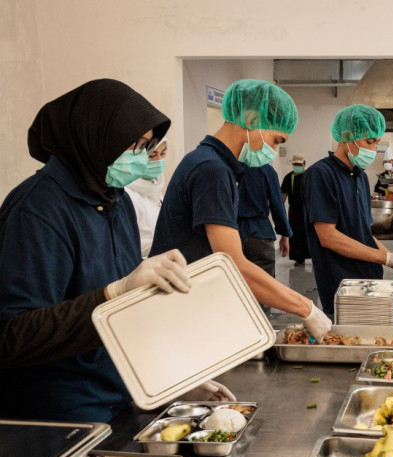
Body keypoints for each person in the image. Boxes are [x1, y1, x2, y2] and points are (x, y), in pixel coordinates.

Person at [0, 79, 233, 423]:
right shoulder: (37, 211)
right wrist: (114, 293)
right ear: (95, 136)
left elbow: (129, 318)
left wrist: (171, 377)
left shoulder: (114, 200)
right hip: (58, 419)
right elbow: (11, 336)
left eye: (149, 146)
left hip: (118, 400)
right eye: (136, 146)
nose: (143, 157)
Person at [150, 79, 331, 340]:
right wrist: (306, 309)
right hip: (178, 309)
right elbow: (234, 263)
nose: (274, 150)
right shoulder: (211, 169)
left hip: (190, 303)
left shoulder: (217, 164)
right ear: (250, 118)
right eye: (276, 140)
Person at [302, 104, 393, 315]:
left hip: (370, 280)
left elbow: (363, 235)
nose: (373, 149)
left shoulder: (360, 176)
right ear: (347, 135)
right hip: (342, 286)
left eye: (376, 142)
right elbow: (328, 237)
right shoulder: (321, 174)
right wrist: (386, 259)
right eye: (369, 141)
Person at [237, 162, 292, 279]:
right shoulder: (266, 170)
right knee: (264, 285)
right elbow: (277, 204)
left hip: (232, 233)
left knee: (234, 283)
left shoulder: (228, 167)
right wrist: (285, 234)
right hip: (261, 234)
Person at [126, 138, 168, 258]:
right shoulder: (127, 194)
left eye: (163, 153)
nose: (159, 160)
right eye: (152, 155)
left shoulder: (154, 188)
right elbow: (128, 245)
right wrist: (169, 242)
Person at [281, 154, 311, 266]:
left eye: (299, 164)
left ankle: (314, 256)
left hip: (308, 209)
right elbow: (283, 195)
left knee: (309, 234)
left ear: (304, 164)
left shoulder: (310, 176)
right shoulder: (288, 177)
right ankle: (299, 258)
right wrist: (280, 207)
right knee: (296, 234)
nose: (297, 166)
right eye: (295, 164)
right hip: (294, 211)